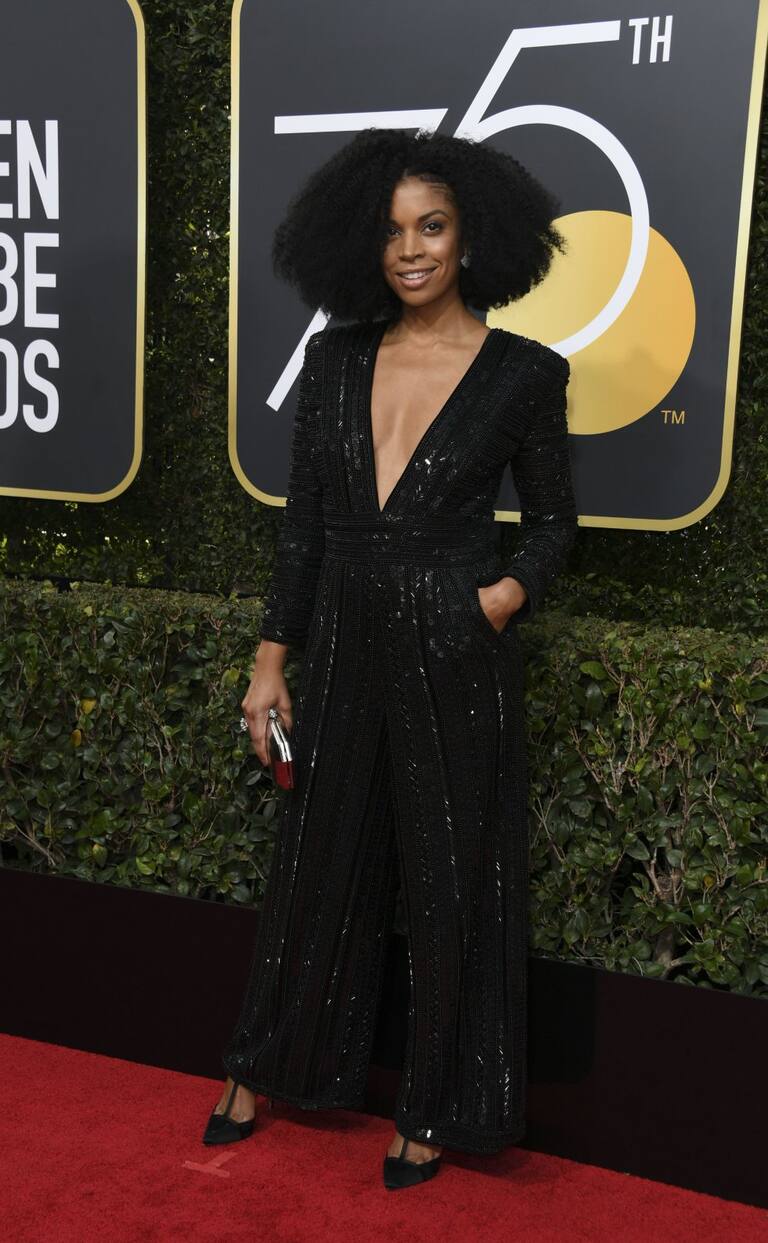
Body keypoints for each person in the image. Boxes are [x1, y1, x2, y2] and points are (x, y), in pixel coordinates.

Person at [202, 128, 579, 1190]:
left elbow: (554, 522)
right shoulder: (333, 361)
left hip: (454, 647)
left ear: (472, 237)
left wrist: (498, 599)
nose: (411, 249)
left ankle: (437, 1106)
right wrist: (270, 662)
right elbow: (304, 529)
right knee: (315, 865)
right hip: (343, 640)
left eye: (432, 226)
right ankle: (263, 1067)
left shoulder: (524, 373)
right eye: (392, 230)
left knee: (454, 880)